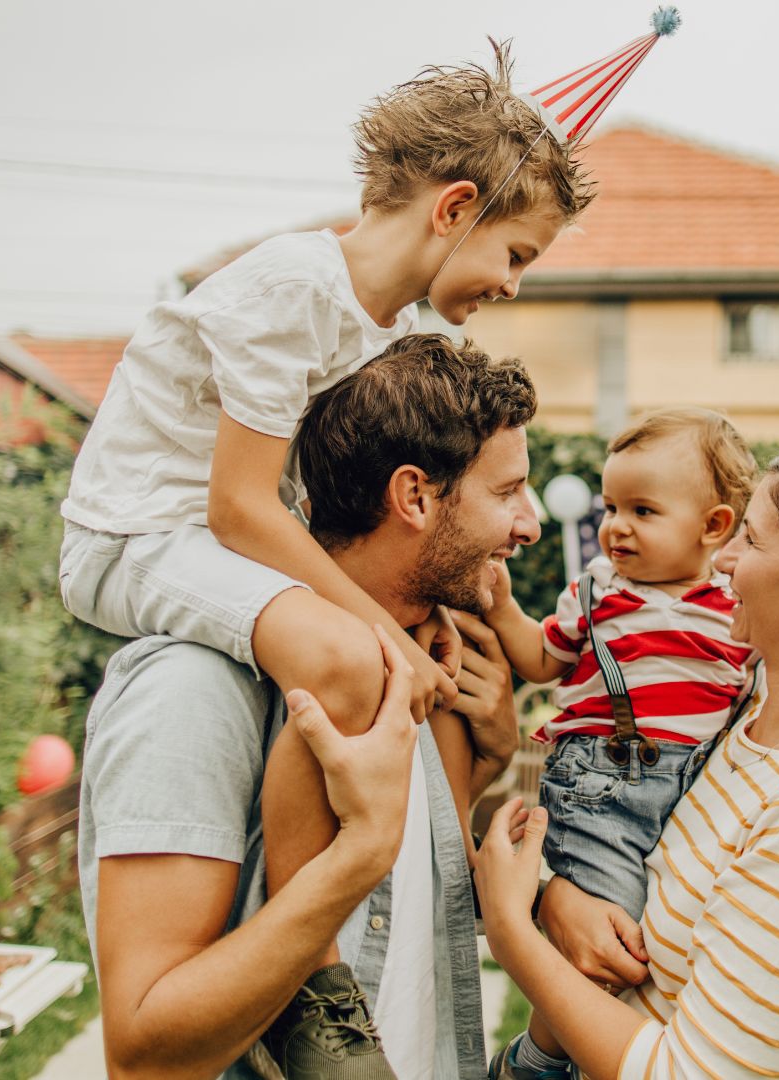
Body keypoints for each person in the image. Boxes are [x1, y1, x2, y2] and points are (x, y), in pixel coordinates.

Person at [58, 41, 592, 1065]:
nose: (515, 285)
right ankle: (312, 970)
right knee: (351, 659)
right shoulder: (299, 286)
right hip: (137, 535)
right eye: (517, 255)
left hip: (202, 531)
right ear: (454, 207)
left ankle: (318, 944)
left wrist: (463, 743)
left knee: (365, 656)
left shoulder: (369, 324)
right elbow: (239, 509)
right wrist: (367, 633)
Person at [80, 334, 539, 1079]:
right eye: (506, 491)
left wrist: (477, 771)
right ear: (414, 497)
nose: (531, 523)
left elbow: (398, 935)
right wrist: (358, 854)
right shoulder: (195, 690)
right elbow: (146, 1051)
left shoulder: (415, 657)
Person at [476, 437, 779, 1078]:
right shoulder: (739, 719)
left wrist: (513, 936)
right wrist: (555, 897)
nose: (721, 562)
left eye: (751, 540)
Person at [481, 408, 759, 1078]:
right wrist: (502, 608)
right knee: (608, 940)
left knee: (666, 942)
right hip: (603, 786)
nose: (616, 526)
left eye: (642, 509)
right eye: (611, 506)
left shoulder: (737, 605)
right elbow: (543, 660)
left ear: (714, 527)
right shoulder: (598, 591)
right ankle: (538, 1061)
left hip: (696, 790)